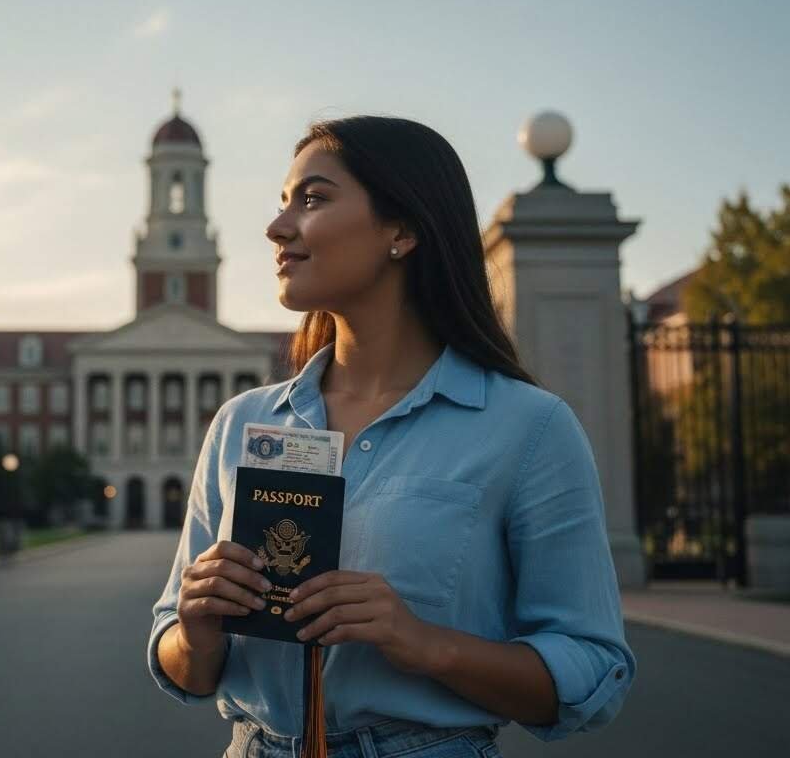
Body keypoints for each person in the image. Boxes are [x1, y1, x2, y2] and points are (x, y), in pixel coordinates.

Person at [147, 116, 636, 758]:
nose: (277, 227)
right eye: (283, 201)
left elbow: (592, 670)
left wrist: (424, 643)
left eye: (312, 199)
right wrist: (195, 631)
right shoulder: (243, 423)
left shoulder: (528, 427)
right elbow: (182, 663)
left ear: (401, 231)